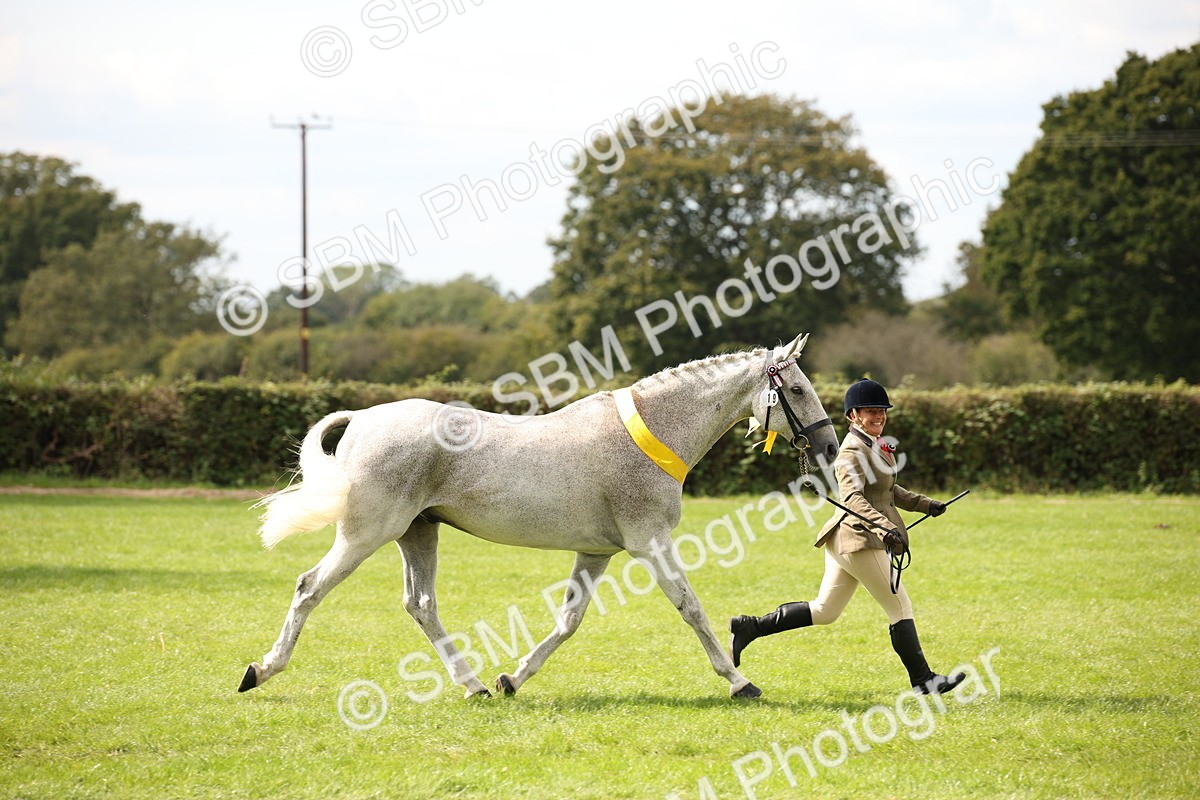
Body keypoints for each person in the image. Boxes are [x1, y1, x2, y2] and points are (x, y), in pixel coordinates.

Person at [729, 378, 965, 695]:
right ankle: (924, 681)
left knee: (826, 611)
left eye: (882, 411)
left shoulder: (874, 445)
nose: (879, 416)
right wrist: (885, 527)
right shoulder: (851, 452)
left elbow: (887, 490)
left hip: (847, 540)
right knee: (900, 608)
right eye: (871, 411)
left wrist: (926, 504)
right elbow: (853, 498)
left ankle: (751, 626)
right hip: (859, 539)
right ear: (853, 415)